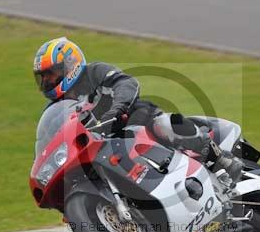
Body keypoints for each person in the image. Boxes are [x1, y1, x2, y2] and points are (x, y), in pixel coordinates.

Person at [32, 37, 243, 181]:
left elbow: (126, 84)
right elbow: (51, 141)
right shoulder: (55, 109)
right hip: (104, 146)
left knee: (163, 124)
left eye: (51, 74)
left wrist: (115, 110)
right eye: (43, 78)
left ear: (70, 64)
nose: (47, 81)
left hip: (134, 117)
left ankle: (218, 157)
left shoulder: (94, 72)